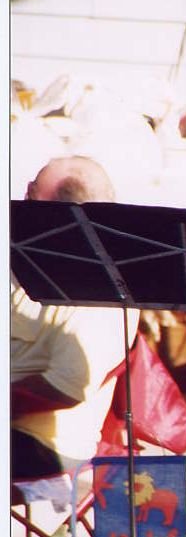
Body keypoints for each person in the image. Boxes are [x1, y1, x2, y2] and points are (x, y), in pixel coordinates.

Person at [11, 156, 139, 490]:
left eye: (31, 195)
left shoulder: (101, 293)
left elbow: (64, 389)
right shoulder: (22, 256)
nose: (20, 202)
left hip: (42, 442)